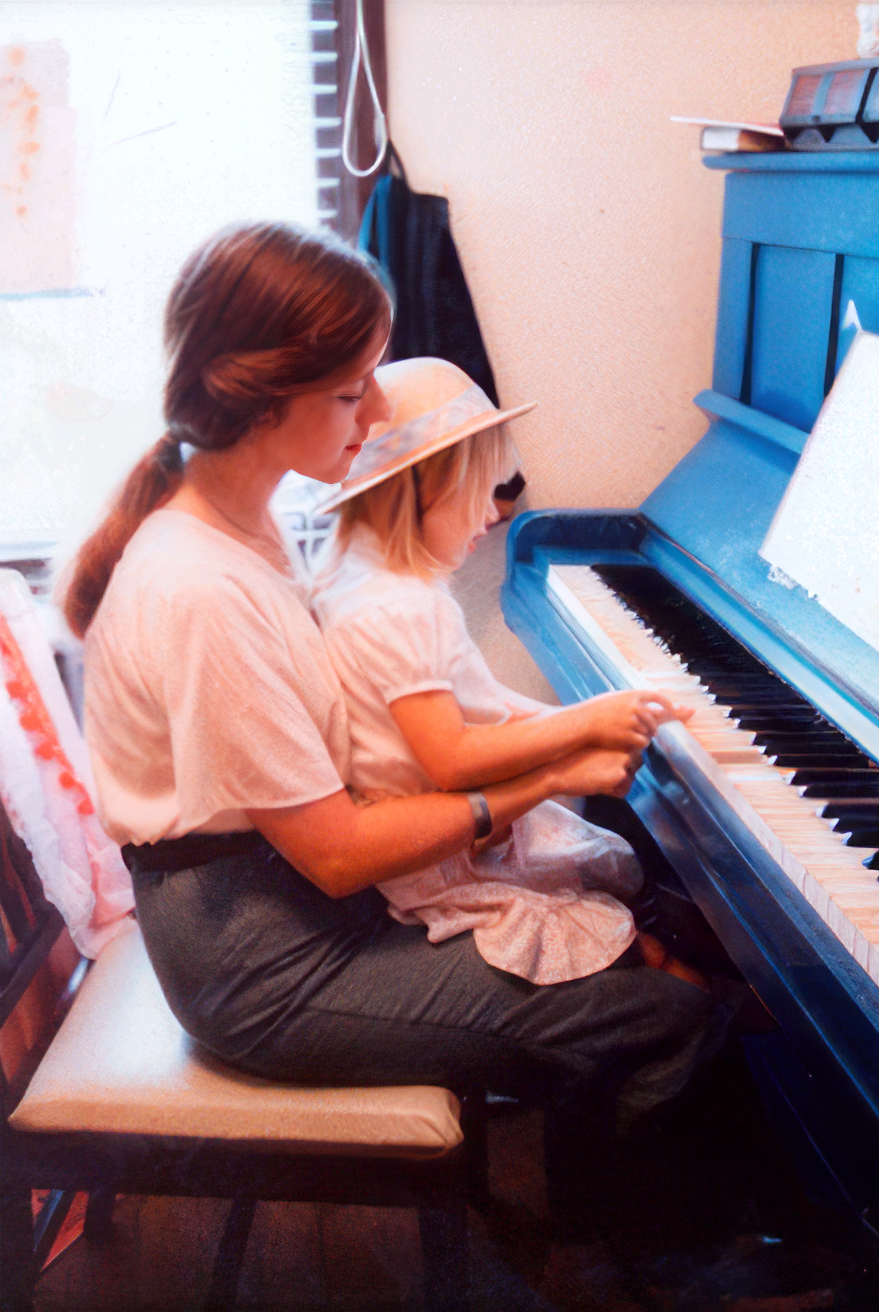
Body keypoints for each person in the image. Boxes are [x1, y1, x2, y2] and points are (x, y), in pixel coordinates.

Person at [63, 221, 729, 1132]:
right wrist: (541, 777)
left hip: (283, 904)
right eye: (350, 390)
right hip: (260, 963)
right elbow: (337, 856)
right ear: (266, 402)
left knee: (619, 917)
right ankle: (643, 1264)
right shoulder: (201, 588)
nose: (376, 413)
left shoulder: (248, 526)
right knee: (662, 1015)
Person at [312, 356, 701, 989]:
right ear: (421, 488)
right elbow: (452, 758)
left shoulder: (367, 582)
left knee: (625, 879)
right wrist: (587, 720)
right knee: (634, 944)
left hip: (450, 835)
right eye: (479, 491)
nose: (493, 513)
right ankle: (719, 1009)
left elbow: (481, 705)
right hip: (447, 856)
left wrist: (592, 724)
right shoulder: (401, 610)